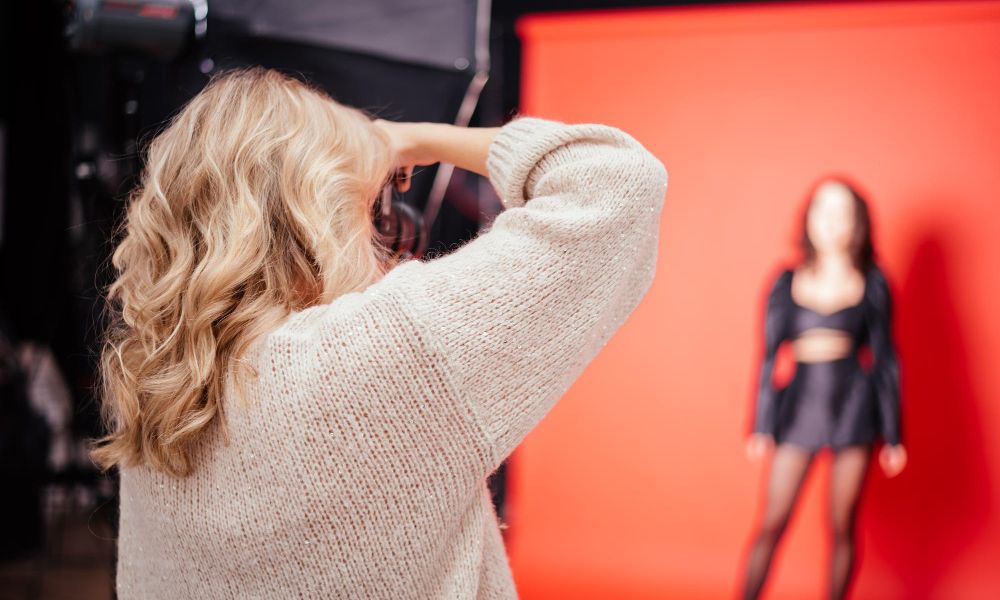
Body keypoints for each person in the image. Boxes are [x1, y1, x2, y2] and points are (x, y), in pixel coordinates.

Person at [90, 67, 667, 598]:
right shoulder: (381, 349)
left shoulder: (156, 387)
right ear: (320, 208)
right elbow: (618, 181)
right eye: (365, 202)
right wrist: (412, 138)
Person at [741, 178, 907, 600]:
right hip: (799, 408)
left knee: (842, 525)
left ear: (858, 223)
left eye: (842, 212)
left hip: (855, 407)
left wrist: (892, 434)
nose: (831, 221)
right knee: (772, 521)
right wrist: (761, 427)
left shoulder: (874, 282)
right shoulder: (784, 281)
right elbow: (767, 357)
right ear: (808, 218)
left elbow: (887, 359)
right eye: (822, 210)